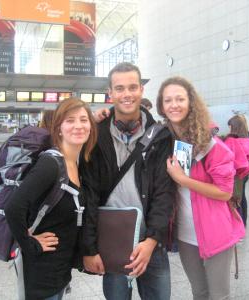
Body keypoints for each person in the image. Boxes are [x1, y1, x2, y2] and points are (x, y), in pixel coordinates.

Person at [81, 62, 174, 300]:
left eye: (133, 87)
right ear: (109, 93)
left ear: (141, 90)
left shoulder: (160, 136)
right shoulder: (95, 134)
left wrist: (152, 240)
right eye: (119, 88)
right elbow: (89, 195)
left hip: (152, 243)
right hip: (113, 242)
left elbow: (165, 192)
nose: (127, 94)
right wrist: (90, 249)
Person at [157, 76, 245, 300]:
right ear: (161, 106)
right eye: (168, 100)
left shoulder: (212, 145)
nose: (174, 105)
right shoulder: (166, 139)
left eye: (180, 99)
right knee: (199, 292)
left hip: (215, 232)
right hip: (186, 234)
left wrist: (183, 180)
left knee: (218, 295)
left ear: (190, 103)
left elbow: (225, 192)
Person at [5, 98, 97, 300]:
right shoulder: (51, 164)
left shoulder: (76, 164)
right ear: (59, 128)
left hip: (61, 270)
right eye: (70, 120)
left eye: (84, 120)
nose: (78, 126)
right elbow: (14, 207)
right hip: (42, 272)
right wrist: (29, 244)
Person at [224, 115, 249, 227]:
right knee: (242, 196)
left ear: (235, 127)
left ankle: (239, 225)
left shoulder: (235, 141)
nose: (229, 129)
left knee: (236, 199)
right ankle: (243, 223)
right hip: (245, 173)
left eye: (230, 126)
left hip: (237, 174)